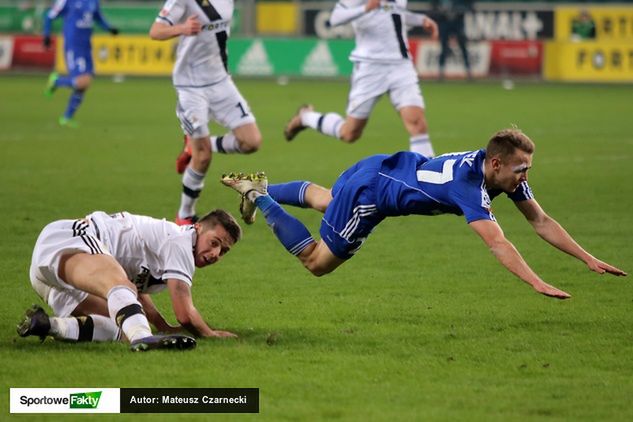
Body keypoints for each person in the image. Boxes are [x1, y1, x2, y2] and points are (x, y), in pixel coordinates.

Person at [222, 128, 626, 299]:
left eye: (528, 169)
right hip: (373, 192)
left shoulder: (499, 174)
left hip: (382, 165)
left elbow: (540, 220)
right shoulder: (468, 187)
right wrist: (537, 283)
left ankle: (262, 186)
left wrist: (587, 259)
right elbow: (497, 243)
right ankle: (259, 195)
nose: (526, 175)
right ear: (498, 164)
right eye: (522, 168)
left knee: (329, 201)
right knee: (317, 262)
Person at [17, 209, 242, 351]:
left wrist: (161, 325)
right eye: (214, 243)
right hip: (70, 239)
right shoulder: (181, 241)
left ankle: (48, 325)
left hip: (45, 275)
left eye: (223, 251)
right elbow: (184, 314)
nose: (215, 254)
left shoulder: (170, 246)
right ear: (198, 228)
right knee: (121, 287)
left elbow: (136, 290)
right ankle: (144, 339)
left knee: (122, 325)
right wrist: (209, 334)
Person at [149, 0, 263, 226]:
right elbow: (156, 31)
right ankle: (184, 214)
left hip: (220, 81)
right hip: (190, 86)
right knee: (203, 158)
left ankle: (197, 144)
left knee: (252, 141)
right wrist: (181, 28)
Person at [283, 0, 439, 158]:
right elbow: (336, 18)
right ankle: (306, 117)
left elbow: (394, 12)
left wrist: (421, 20)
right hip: (370, 67)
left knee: (417, 124)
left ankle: (425, 177)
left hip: (401, 66)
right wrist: (366, 7)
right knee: (350, 133)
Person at [42, 0, 119, 128]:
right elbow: (49, 16)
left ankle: (66, 118)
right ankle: (56, 81)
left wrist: (109, 28)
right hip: (73, 45)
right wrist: (46, 36)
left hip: (86, 46)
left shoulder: (93, 1)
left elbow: (97, 17)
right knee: (82, 81)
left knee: (85, 83)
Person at [434, 0, 473, 81]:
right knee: (443, 48)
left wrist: (459, 10)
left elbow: (469, 5)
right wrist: (441, 10)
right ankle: (441, 73)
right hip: (445, 22)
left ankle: (469, 72)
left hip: (457, 22)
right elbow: (434, 5)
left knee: (463, 47)